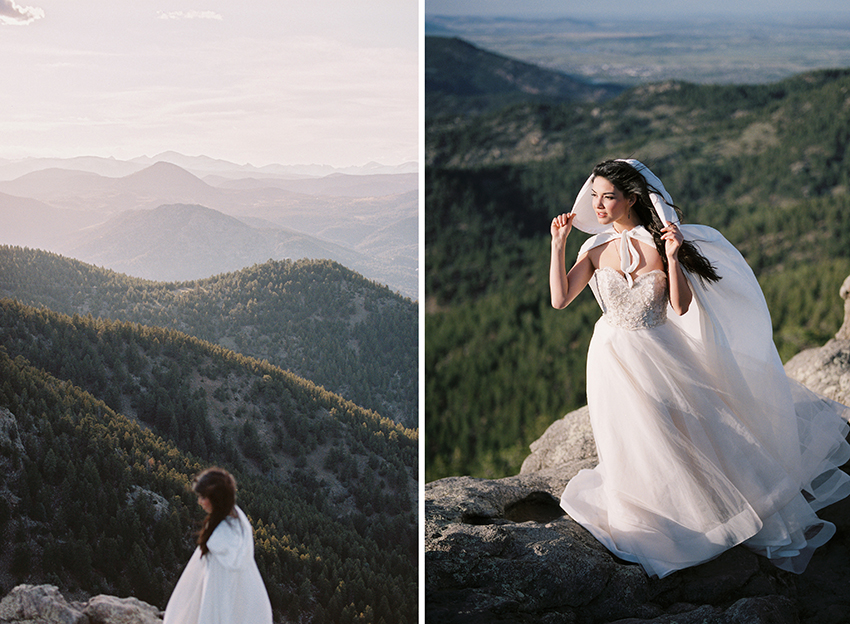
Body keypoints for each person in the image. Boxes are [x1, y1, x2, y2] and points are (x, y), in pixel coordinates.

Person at [549, 158, 850, 578]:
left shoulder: (661, 243)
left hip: (658, 348)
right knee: (628, 434)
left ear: (631, 199)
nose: (598, 206)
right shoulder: (594, 249)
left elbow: (680, 305)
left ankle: (702, 514)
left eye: (608, 197)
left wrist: (672, 257)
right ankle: (648, 511)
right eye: (595, 196)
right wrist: (559, 243)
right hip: (609, 355)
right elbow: (560, 299)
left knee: (673, 429)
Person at [163, 467, 273, 624]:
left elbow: (214, 600)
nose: (200, 502)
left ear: (216, 498)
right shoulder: (238, 523)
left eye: (203, 497)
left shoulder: (221, 544)